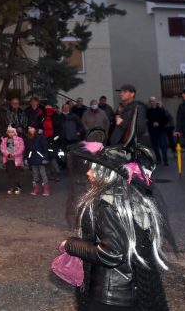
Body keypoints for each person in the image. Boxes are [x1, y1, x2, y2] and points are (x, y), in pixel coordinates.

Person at [60, 137, 174, 310]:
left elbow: (112, 253)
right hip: (131, 291)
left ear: (106, 174)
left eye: (94, 169)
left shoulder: (105, 206)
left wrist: (70, 245)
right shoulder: (129, 199)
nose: (88, 173)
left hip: (110, 297)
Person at [24, 124, 50, 197]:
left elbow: (45, 148)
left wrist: (45, 158)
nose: (30, 129)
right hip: (32, 157)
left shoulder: (41, 137)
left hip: (40, 157)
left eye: (32, 128)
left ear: (35, 128)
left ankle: (46, 189)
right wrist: (26, 158)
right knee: (35, 173)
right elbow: (27, 149)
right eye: (29, 128)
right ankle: (36, 188)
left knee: (42, 173)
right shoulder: (27, 138)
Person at [0, 126, 25, 195]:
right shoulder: (5, 140)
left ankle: (17, 187)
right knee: (10, 173)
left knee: (16, 174)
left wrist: (15, 154)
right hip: (8, 159)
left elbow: (21, 148)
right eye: (9, 132)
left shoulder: (19, 139)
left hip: (17, 159)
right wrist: (7, 154)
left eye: (12, 132)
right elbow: (2, 148)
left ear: (15, 132)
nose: (11, 133)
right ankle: (11, 187)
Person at [146, 97, 170, 166]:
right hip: (152, 131)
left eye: (153, 101)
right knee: (155, 146)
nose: (152, 102)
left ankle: (165, 161)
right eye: (151, 101)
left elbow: (166, 120)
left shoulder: (161, 110)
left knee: (163, 146)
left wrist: (159, 123)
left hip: (161, 130)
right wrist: (152, 124)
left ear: (156, 101)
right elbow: (147, 121)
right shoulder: (149, 111)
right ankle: (158, 159)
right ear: (149, 103)